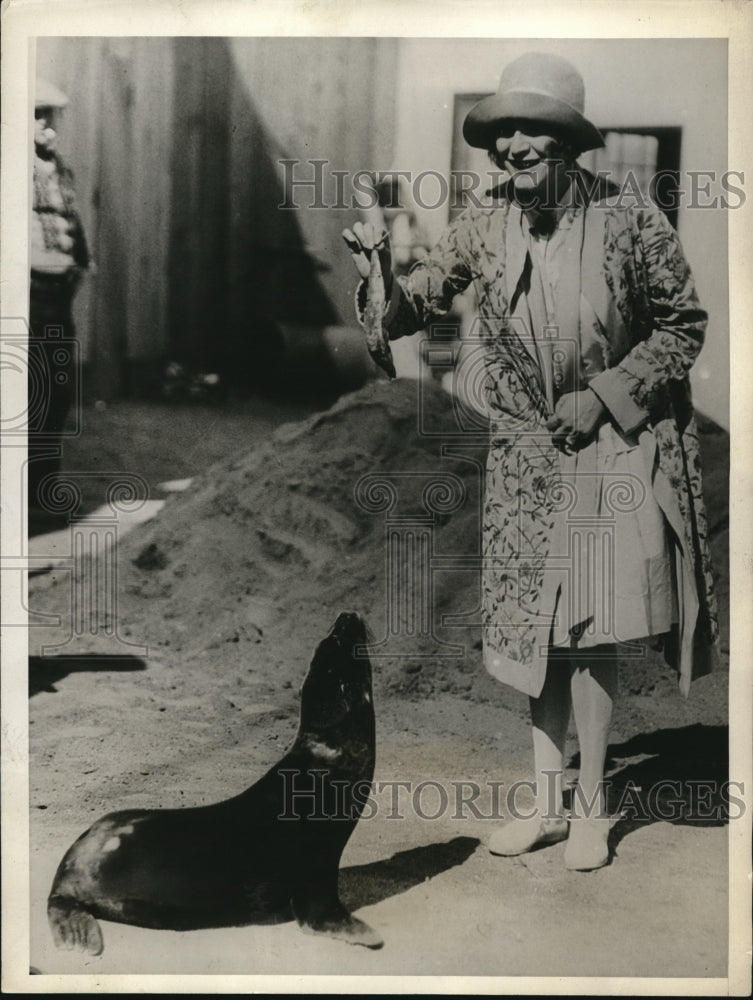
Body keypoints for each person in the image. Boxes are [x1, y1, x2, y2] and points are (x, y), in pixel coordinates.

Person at [343, 51, 718, 870]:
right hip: (523, 451)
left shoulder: (627, 218)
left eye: (533, 130)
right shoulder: (484, 220)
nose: (513, 146)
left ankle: (590, 809)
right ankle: (544, 804)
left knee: (588, 630)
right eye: (503, 129)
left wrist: (608, 393)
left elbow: (682, 325)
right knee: (534, 634)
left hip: (610, 445)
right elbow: (420, 301)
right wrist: (377, 273)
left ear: (569, 143)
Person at [29, 78, 90, 518]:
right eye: (37, 114)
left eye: (53, 116)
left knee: (56, 392)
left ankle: (43, 495)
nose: (48, 126)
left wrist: (83, 262)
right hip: (24, 293)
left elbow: (70, 220)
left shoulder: (58, 167)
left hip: (58, 293)